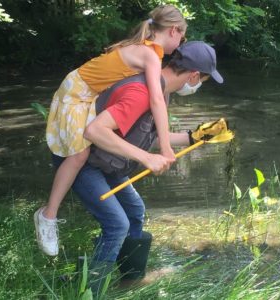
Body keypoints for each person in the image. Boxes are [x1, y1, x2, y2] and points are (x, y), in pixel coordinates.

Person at [52, 41, 223, 296]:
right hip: (84, 162)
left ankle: (129, 280)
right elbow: (95, 131)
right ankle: (89, 290)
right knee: (117, 224)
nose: (198, 86)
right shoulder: (142, 93)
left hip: (106, 161)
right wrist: (146, 158)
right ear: (194, 75)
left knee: (134, 211)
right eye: (203, 81)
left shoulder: (160, 92)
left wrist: (195, 137)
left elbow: (145, 135)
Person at [34, 5, 187, 256]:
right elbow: (157, 100)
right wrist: (166, 148)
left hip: (86, 93)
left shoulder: (145, 48)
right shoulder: (151, 54)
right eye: (182, 36)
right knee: (79, 155)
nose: (181, 43)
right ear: (173, 30)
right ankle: (47, 215)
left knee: (84, 152)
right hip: (76, 93)